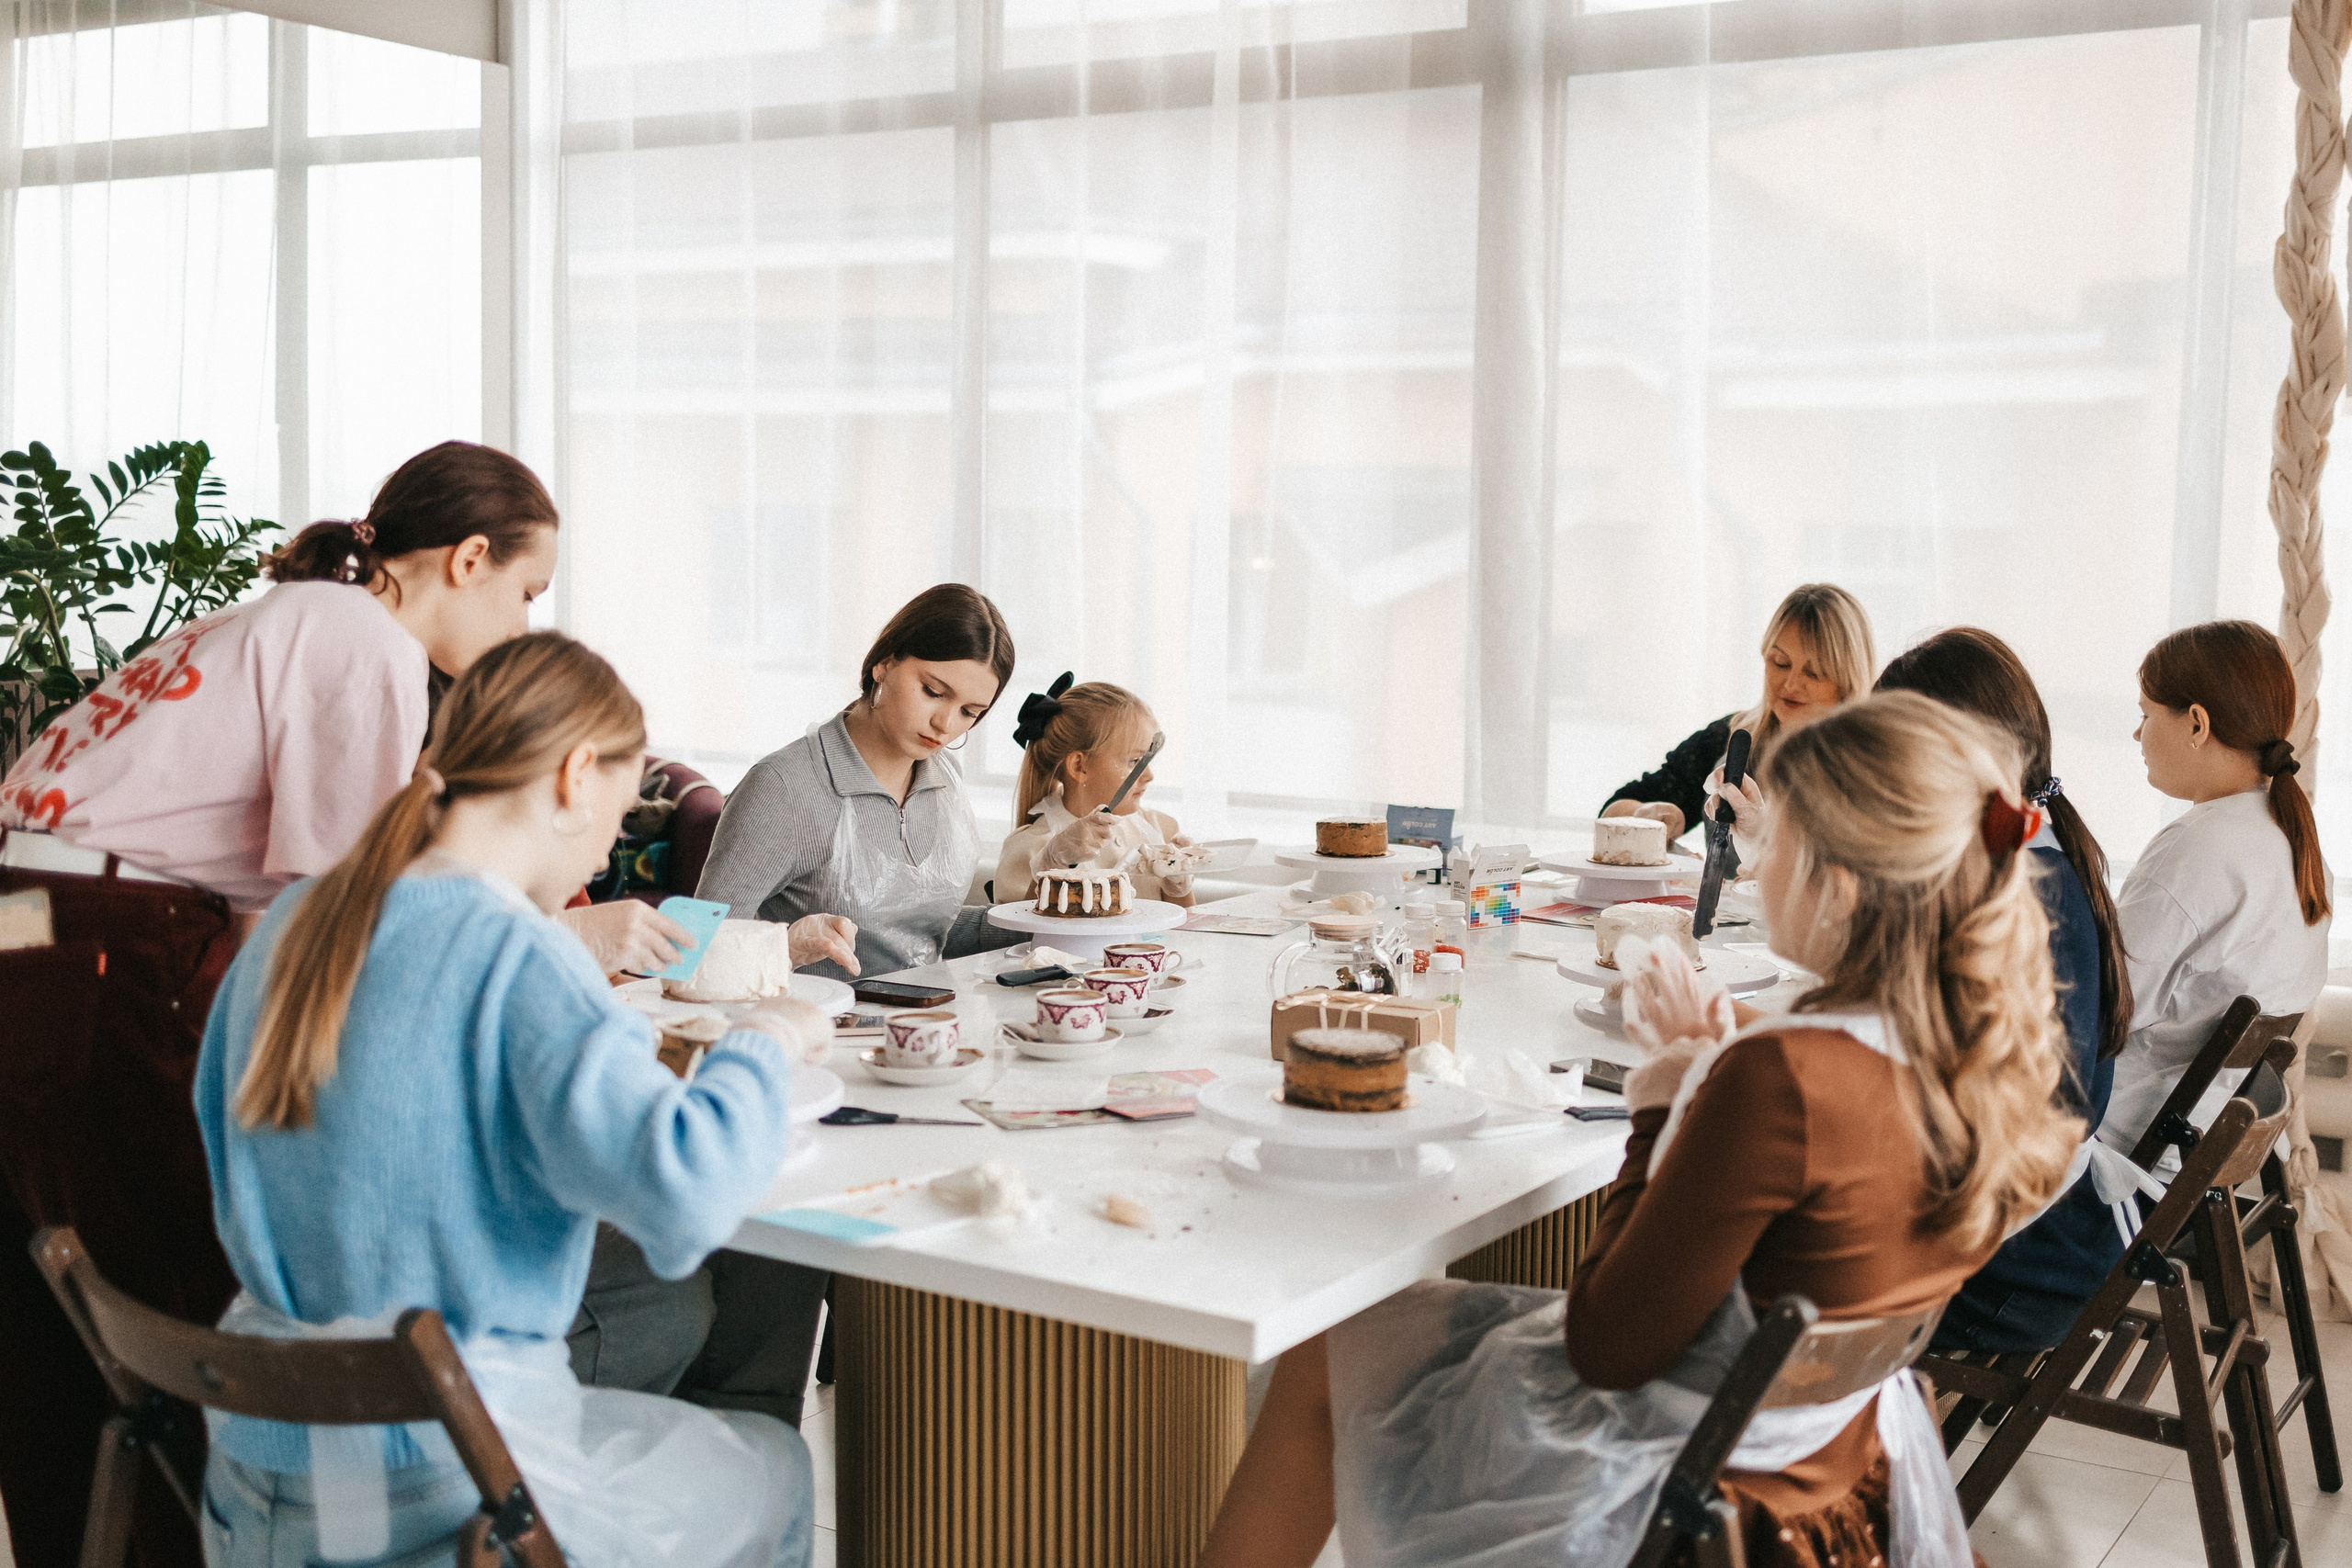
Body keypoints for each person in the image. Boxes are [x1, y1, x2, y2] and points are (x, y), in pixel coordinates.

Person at [1199, 692, 2080, 1568]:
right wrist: (1716, 1058)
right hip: (1822, 1464)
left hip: (1682, 1491)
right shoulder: (1971, 1061)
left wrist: (1660, 1108)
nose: (1755, 864)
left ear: (1838, 889)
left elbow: (1606, 1346)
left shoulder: (1784, 1081)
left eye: (1776, 844)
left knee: (1323, 1351)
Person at [0, 440, 670, 1565]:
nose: (523, 624)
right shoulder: (363, 638)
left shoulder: (275, 616)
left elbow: (288, 915)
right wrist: (564, 936)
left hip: (31, 928)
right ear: (467, 559)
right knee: (202, 1296)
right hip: (119, 945)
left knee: (59, 1305)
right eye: (526, 592)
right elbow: (356, 908)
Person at [196, 632, 820, 1567]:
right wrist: (764, 1043)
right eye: (618, 816)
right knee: (774, 1463)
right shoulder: (519, 955)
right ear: (575, 774)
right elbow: (689, 1193)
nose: (606, 847)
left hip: (260, 1478)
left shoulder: (296, 921)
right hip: (447, 1488)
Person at [680, 581, 1017, 1431]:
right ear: (883, 663)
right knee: (765, 1347)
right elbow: (693, 949)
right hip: (806, 1073)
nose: (946, 723)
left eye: (970, 711)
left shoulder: (943, 783)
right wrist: (790, 945)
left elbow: (930, 932)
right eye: (933, 689)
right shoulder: (788, 787)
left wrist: (1032, 922)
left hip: (916, 1061)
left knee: (930, 1334)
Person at [1874, 628, 2140, 1353]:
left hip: (2018, 1267)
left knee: (1740, 1268)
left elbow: (2027, 1129)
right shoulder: (2031, 855)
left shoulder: (2026, 898)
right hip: (2042, 1238)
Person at [2098, 621, 2331, 1166]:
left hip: (2122, 1143)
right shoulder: (2291, 839)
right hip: (2198, 1144)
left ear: (2197, 723)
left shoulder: (2196, 847)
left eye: (2146, 715)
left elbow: (2107, 1012)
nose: (2137, 735)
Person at [1600, 582, 1874, 842]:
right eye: (1780, 663)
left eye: (1813, 673)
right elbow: (1613, 810)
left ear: (1848, 680)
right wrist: (1647, 815)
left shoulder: (1873, 767)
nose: (1791, 684)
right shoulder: (1728, 738)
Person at [994, 675, 1197, 907]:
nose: (1149, 775)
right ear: (1079, 766)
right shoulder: (1031, 848)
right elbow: (1017, 926)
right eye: (1134, 761)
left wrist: (1178, 887)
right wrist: (1051, 865)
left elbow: (1187, 924)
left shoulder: (1161, 830)